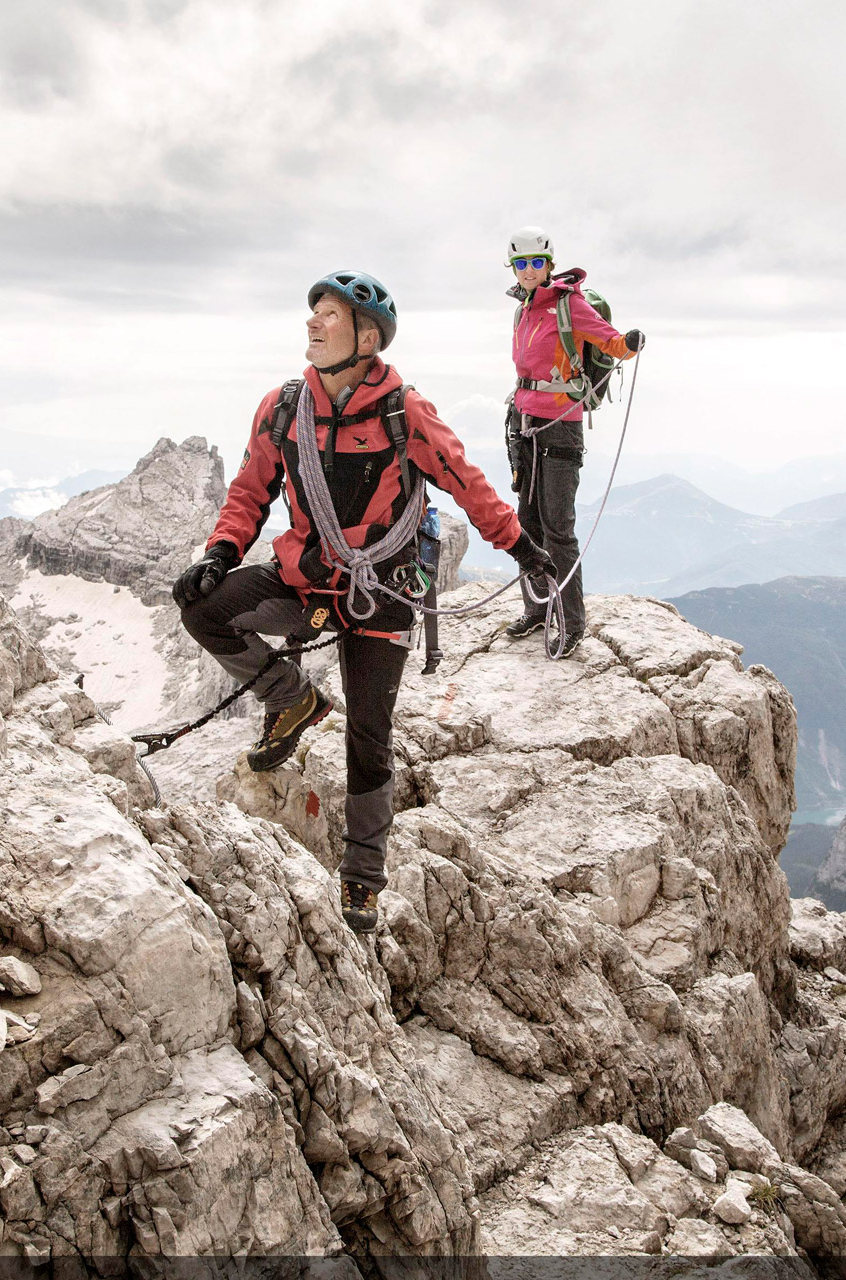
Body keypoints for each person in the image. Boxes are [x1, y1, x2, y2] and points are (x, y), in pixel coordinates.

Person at [174, 270, 553, 933]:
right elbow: (251, 489)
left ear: (367, 338)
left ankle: (362, 876)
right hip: (305, 581)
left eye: (329, 314)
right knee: (205, 610)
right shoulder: (283, 408)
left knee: (368, 736)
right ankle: (292, 700)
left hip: (382, 593)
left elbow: (466, 482)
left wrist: (520, 547)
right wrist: (220, 553)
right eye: (313, 312)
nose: (312, 323)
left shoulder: (405, 412)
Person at [503, 227, 644, 652]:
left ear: (549, 265)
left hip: (561, 425)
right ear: (513, 267)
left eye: (536, 262)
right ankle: (536, 609)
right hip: (525, 422)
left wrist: (630, 344)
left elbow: (611, 343)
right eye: (521, 263)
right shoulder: (523, 309)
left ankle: (571, 622)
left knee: (557, 528)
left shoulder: (570, 304)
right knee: (527, 523)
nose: (529, 270)